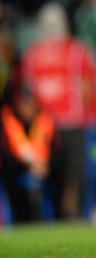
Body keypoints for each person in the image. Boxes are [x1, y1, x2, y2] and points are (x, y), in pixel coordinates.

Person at [20, 3, 96, 219]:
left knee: (69, 171)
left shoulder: (35, 54)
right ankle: (74, 213)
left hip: (57, 122)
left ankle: (72, 213)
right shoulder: (76, 50)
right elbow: (88, 87)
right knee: (69, 171)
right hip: (61, 122)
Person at [0, 83, 58, 223]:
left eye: (30, 103)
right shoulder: (7, 120)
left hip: (44, 174)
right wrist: (27, 167)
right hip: (14, 175)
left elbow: (58, 153)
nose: (27, 108)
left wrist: (47, 166)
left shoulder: (46, 120)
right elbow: (6, 157)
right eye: (24, 103)